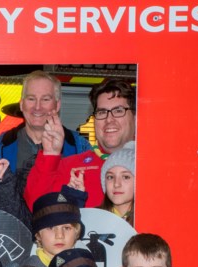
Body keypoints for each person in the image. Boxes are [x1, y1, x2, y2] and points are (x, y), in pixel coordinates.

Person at [24, 78, 137, 209]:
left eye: (118, 111)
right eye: (101, 112)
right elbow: (37, 205)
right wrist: (50, 155)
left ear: (135, 118)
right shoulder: (73, 168)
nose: (109, 120)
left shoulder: (150, 166)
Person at [0, 71, 93, 190]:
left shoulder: (80, 147)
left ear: (57, 105)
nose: (37, 107)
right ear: (22, 104)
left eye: (45, 99)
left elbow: (93, 192)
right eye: (31, 99)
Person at [100, 142, 136, 226]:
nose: (116, 184)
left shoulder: (150, 220)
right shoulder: (94, 218)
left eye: (126, 177)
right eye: (110, 177)